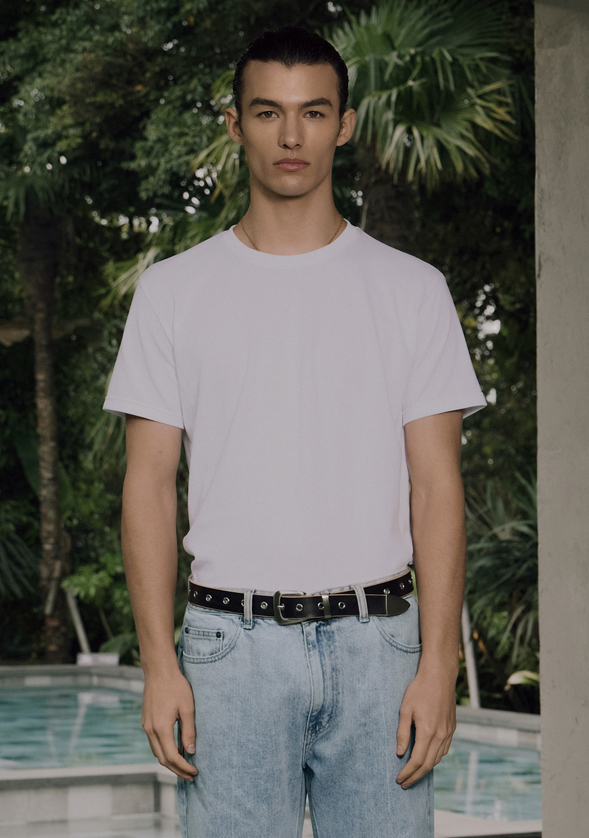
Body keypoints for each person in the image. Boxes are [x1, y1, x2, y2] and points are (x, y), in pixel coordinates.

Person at [104, 26, 486, 838]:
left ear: (343, 126)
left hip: (380, 650)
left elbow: (436, 486)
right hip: (227, 655)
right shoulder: (173, 292)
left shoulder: (412, 290)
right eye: (267, 112)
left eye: (312, 112)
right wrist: (159, 665)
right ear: (236, 124)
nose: (290, 136)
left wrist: (438, 665)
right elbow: (148, 485)